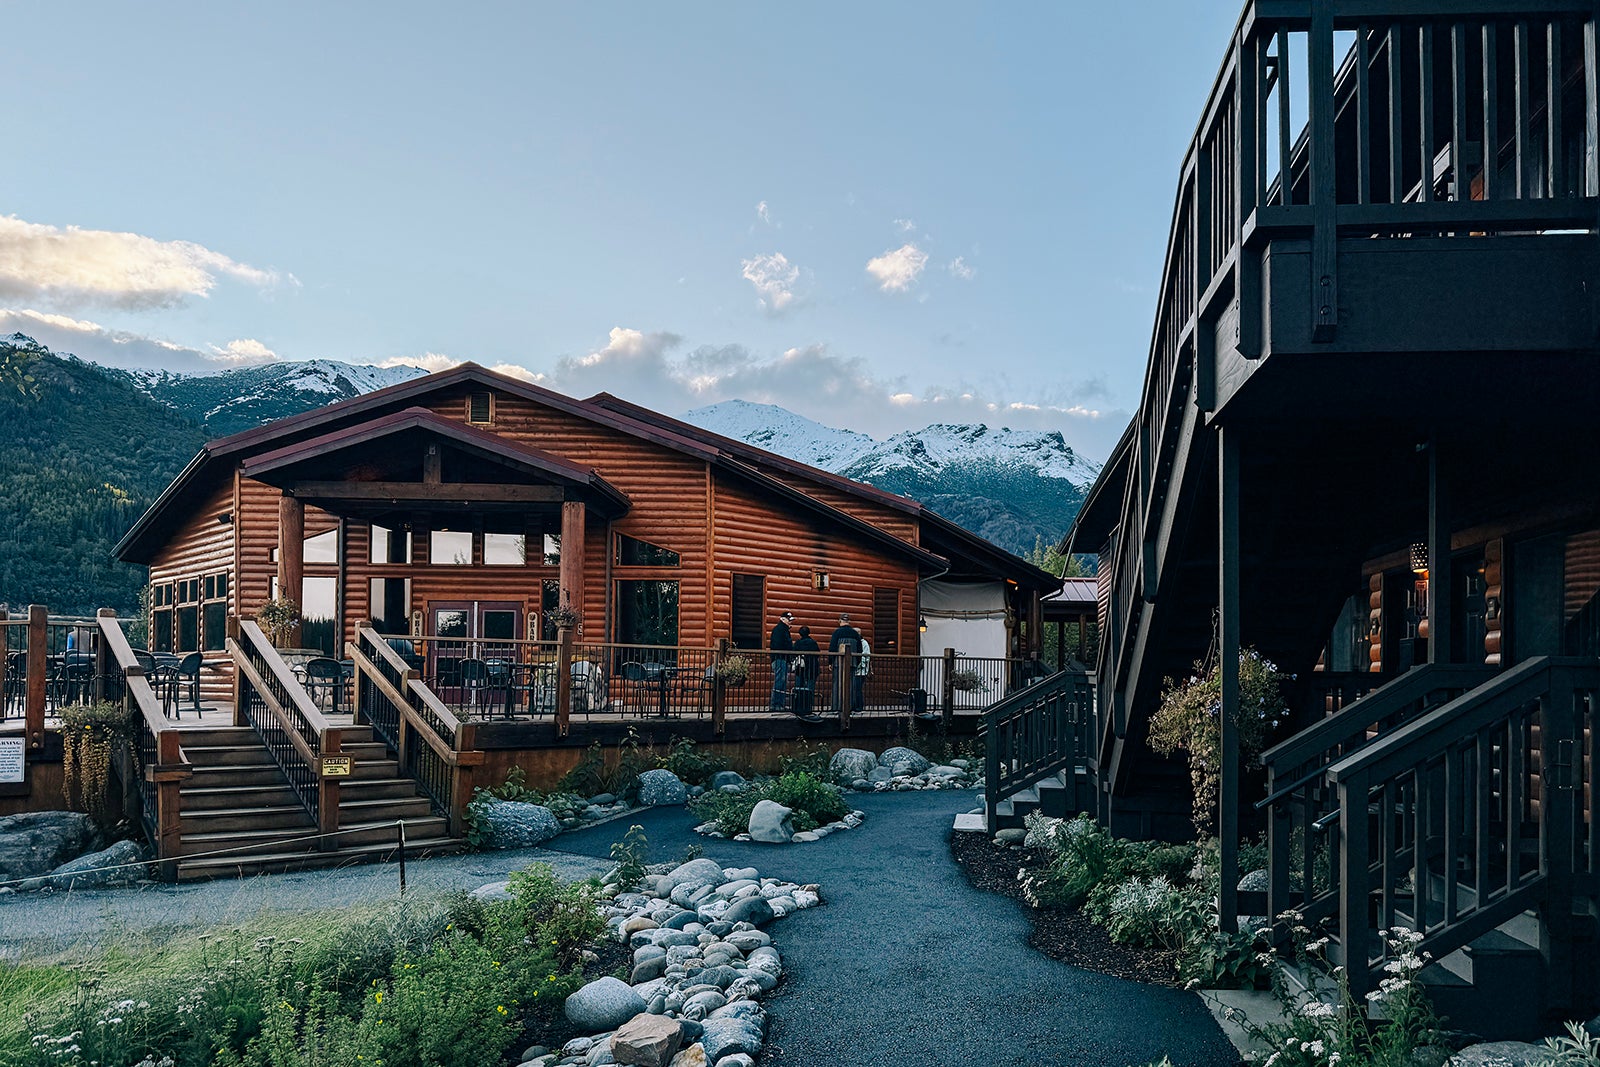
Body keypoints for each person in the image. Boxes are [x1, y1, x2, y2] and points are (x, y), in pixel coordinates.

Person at [828, 613, 862, 714]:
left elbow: (833, 648)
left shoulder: (837, 633)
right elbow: (859, 650)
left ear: (840, 621)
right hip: (852, 663)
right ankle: (849, 707)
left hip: (839, 663)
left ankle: (837, 707)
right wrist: (857, 661)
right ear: (849, 621)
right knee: (851, 685)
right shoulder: (855, 634)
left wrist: (831, 661)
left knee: (837, 684)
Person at [792, 625, 821, 720]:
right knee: (810, 688)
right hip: (812, 668)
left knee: (798, 687)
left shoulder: (798, 643)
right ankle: (808, 707)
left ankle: (798, 707)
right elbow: (817, 654)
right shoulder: (813, 643)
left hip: (800, 668)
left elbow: (793, 654)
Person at [767, 610, 795, 711]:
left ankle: (780, 704)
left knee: (782, 681)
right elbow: (781, 645)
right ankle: (776, 704)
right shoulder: (780, 630)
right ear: (782, 619)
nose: (790, 622)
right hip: (780, 658)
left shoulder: (781, 630)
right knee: (780, 681)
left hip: (782, 658)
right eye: (789, 620)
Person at [851, 635, 871, 713]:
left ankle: (859, 706)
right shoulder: (860, 643)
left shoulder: (864, 643)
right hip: (858, 671)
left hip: (860, 672)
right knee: (855, 689)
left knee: (857, 689)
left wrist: (858, 666)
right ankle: (855, 706)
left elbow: (865, 657)